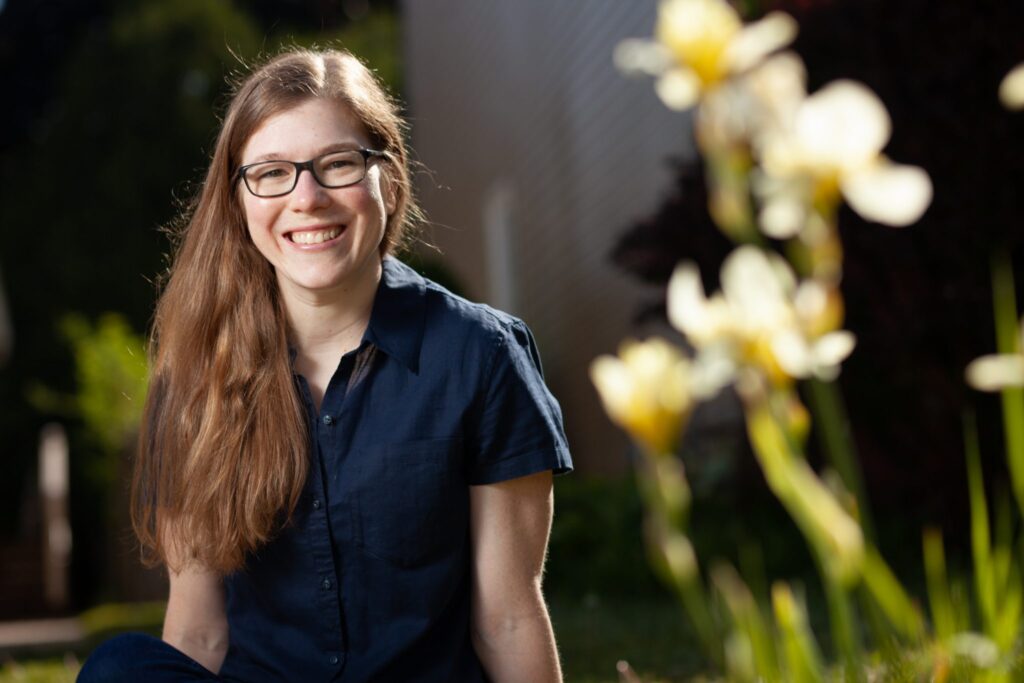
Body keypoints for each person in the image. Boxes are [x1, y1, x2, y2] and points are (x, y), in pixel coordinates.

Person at [78, 48, 572, 682]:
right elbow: (199, 630)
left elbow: (507, 616)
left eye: (337, 164)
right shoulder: (198, 377)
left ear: (387, 182)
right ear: (239, 201)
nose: (305, 198)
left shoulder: (479, 358)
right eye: (272, 172)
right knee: (120, 668)